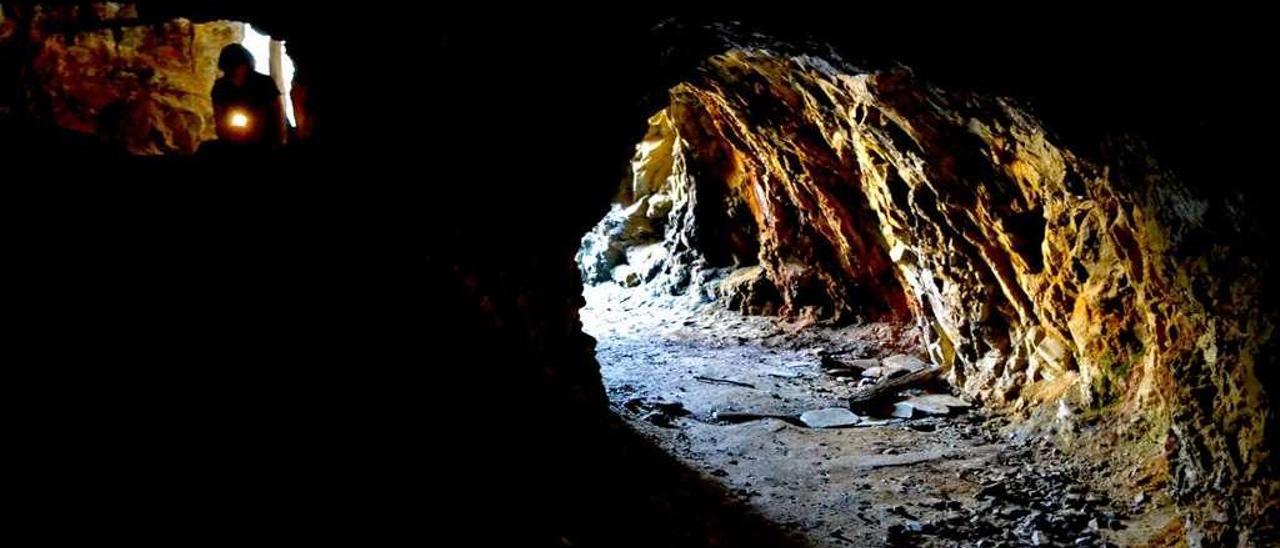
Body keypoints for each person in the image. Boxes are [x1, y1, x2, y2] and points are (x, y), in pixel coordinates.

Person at [211, 43, 286, 149]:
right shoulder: (221, 87)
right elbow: (219, 117)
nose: (237, 71)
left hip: (265, 140)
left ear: (247, 64)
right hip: (233, 141)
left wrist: (280, 141)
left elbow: (278, 113)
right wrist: (227, 136)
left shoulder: (264, 83)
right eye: (232, 68)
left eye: (239, 66)